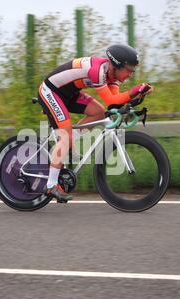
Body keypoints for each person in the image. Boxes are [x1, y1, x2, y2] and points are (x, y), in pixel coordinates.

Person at [37, 44, 154, 202]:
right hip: (51, 92)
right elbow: (111, 100)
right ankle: (51, 185)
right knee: (65, 137)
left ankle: (69, 144)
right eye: (129, 69)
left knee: (98, 112)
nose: (131, 74)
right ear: (116, 65)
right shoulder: (97, 71)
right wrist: (135, 90)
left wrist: (137, 97)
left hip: (69, 93)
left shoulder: (112, 76)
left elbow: (114, 105)